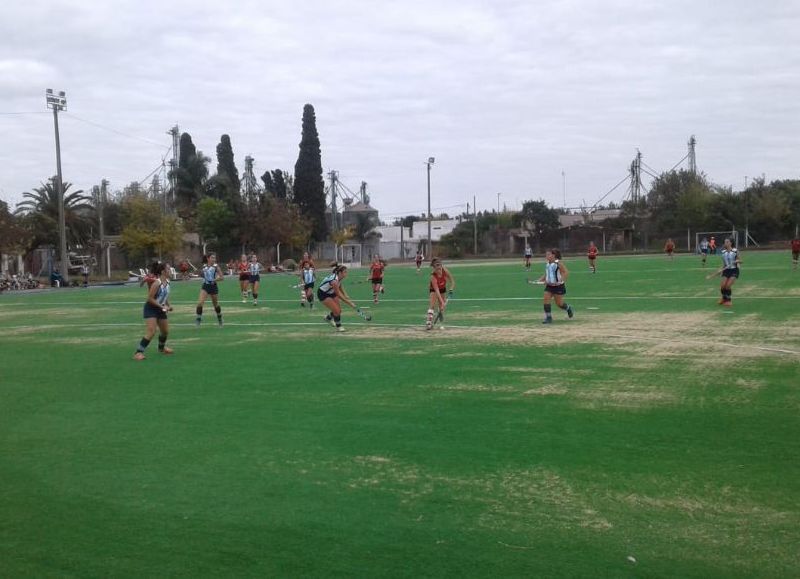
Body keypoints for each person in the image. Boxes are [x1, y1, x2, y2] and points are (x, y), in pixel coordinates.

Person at [133, 262, 173, 360]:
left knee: (165, 332)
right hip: (151, 308)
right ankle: (138, 353)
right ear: (163, 271)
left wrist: (168, 305)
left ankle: (161, 348)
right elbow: (150, 298)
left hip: (160, 309)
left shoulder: (167, 282)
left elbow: (164, 295)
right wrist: (162, 307)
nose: (170, 271)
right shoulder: (156, 283)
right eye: (168, 269)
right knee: (151, 331)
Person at [317, 264, 360, 332]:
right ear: (340, 273)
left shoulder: (339, 278)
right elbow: (338, 294)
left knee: (339, 310)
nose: (346, 273)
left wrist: (345, 294)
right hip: (323, 294)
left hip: (332, 292)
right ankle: (339, 326)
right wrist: (350, 303)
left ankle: (328, 318)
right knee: (336, 311)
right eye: (345, 272)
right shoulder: (334, 281)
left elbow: (340, 286)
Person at [537, 248, 574, 324]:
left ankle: (568, 308)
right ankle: (549, 317)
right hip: (549, 286)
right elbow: (546, 274)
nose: (546, 256)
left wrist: (561, 280)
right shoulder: (547, 264)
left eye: (548, 254)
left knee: (559, 304)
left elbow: (565, 272)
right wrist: (540, 280)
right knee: (546, 299)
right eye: (546, 255)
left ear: (553, 255)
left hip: (558, 287)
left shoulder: (558, 263)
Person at [426, 257, 455, 330]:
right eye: (436, 266)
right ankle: (429, 323)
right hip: (434, 290)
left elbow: (452, 281)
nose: (438, 268)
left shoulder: (445, 271)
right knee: (432, 305)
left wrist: (451, 289)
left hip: (442, 288)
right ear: (434, 267)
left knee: (441, 308)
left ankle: (441, 323)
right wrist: (442, 302)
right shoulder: (433, 276)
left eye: (439, 265)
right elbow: (437, 291)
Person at [195, 253, 224, 326]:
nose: (214, 259)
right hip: (205, 286)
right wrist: (199, 273)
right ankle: (198, 319)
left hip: (213, 286)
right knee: (200, 303)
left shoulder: (216, 267)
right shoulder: (204, 266)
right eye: (212, 258)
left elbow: (222, 277)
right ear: (208, 258)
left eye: (214, 258)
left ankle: (219, 317)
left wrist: (215, 280)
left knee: (216, 305)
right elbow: (203, 275)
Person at [713, 238, 741, 307]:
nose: (725, 243)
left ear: (731, 243)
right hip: (726, 270)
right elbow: (724, 264)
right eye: (725, 242)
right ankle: (724, 298)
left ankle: (728, 300)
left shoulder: (735, 251)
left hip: (734, 270)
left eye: (727, 242)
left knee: (728, 285)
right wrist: (720, 270)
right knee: (722, 286)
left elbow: (740, 260)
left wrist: (737, 261)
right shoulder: (723, 252)